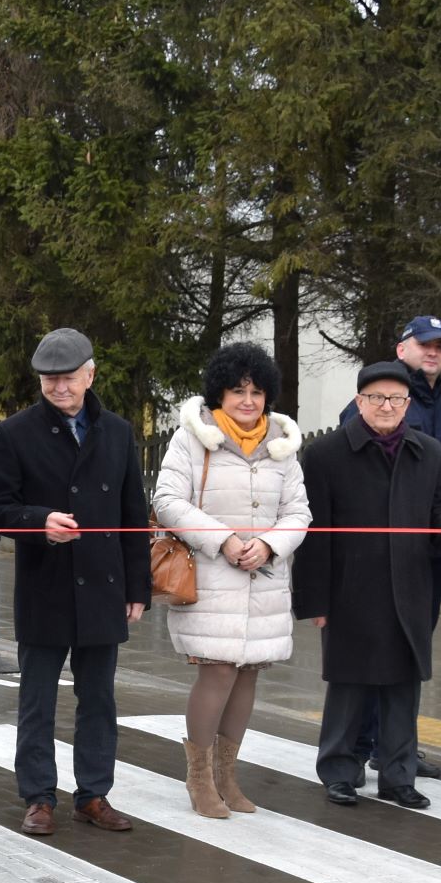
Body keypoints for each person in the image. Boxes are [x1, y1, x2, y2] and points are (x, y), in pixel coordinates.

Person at [0, 329, 150, 834]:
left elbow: (133, 516)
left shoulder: (118, 432)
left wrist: (137, 588)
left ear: (90, 375)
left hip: (103, 587)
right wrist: (39, 522)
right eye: (50, 380)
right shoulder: (14, 433)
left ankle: (93, 795)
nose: (60, 389)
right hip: (44, 585)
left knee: (99, 698)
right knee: (37, 698)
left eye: (69, 378)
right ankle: (38, 796)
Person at [295, 362, 441, 806]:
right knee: (349, 682)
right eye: (376, 398)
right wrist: (314, 599)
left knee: (402, 684)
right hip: (349, 588)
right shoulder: (326, 455)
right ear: (359, 402)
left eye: (396, 398)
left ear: (408, 405)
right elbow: (314, 536)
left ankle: (399, 776)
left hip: (410, 585)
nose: (387, 406)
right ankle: (338, 768)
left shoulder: (428, 452)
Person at [153, 343, 310, 818]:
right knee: (218, 670)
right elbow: (167, 499)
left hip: (263, 578)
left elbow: (299, 511)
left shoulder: (282, 447)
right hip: (211, 574)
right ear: (218, 393)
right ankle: (199, 778)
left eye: (257, 391)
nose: (247, 400)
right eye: (237, 390)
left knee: (247, 672)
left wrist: (269, 545)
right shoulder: (191, 439)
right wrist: (223, 541)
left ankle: (228, 776)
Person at [341, 314, 441, 781]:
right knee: (371, 650)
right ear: (402, 348)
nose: (433, 353)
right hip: (376, 554)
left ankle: (398, 746)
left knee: (411, 652)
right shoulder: (380, 394)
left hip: (426, 553)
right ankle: (359, 744)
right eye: (424, 344)